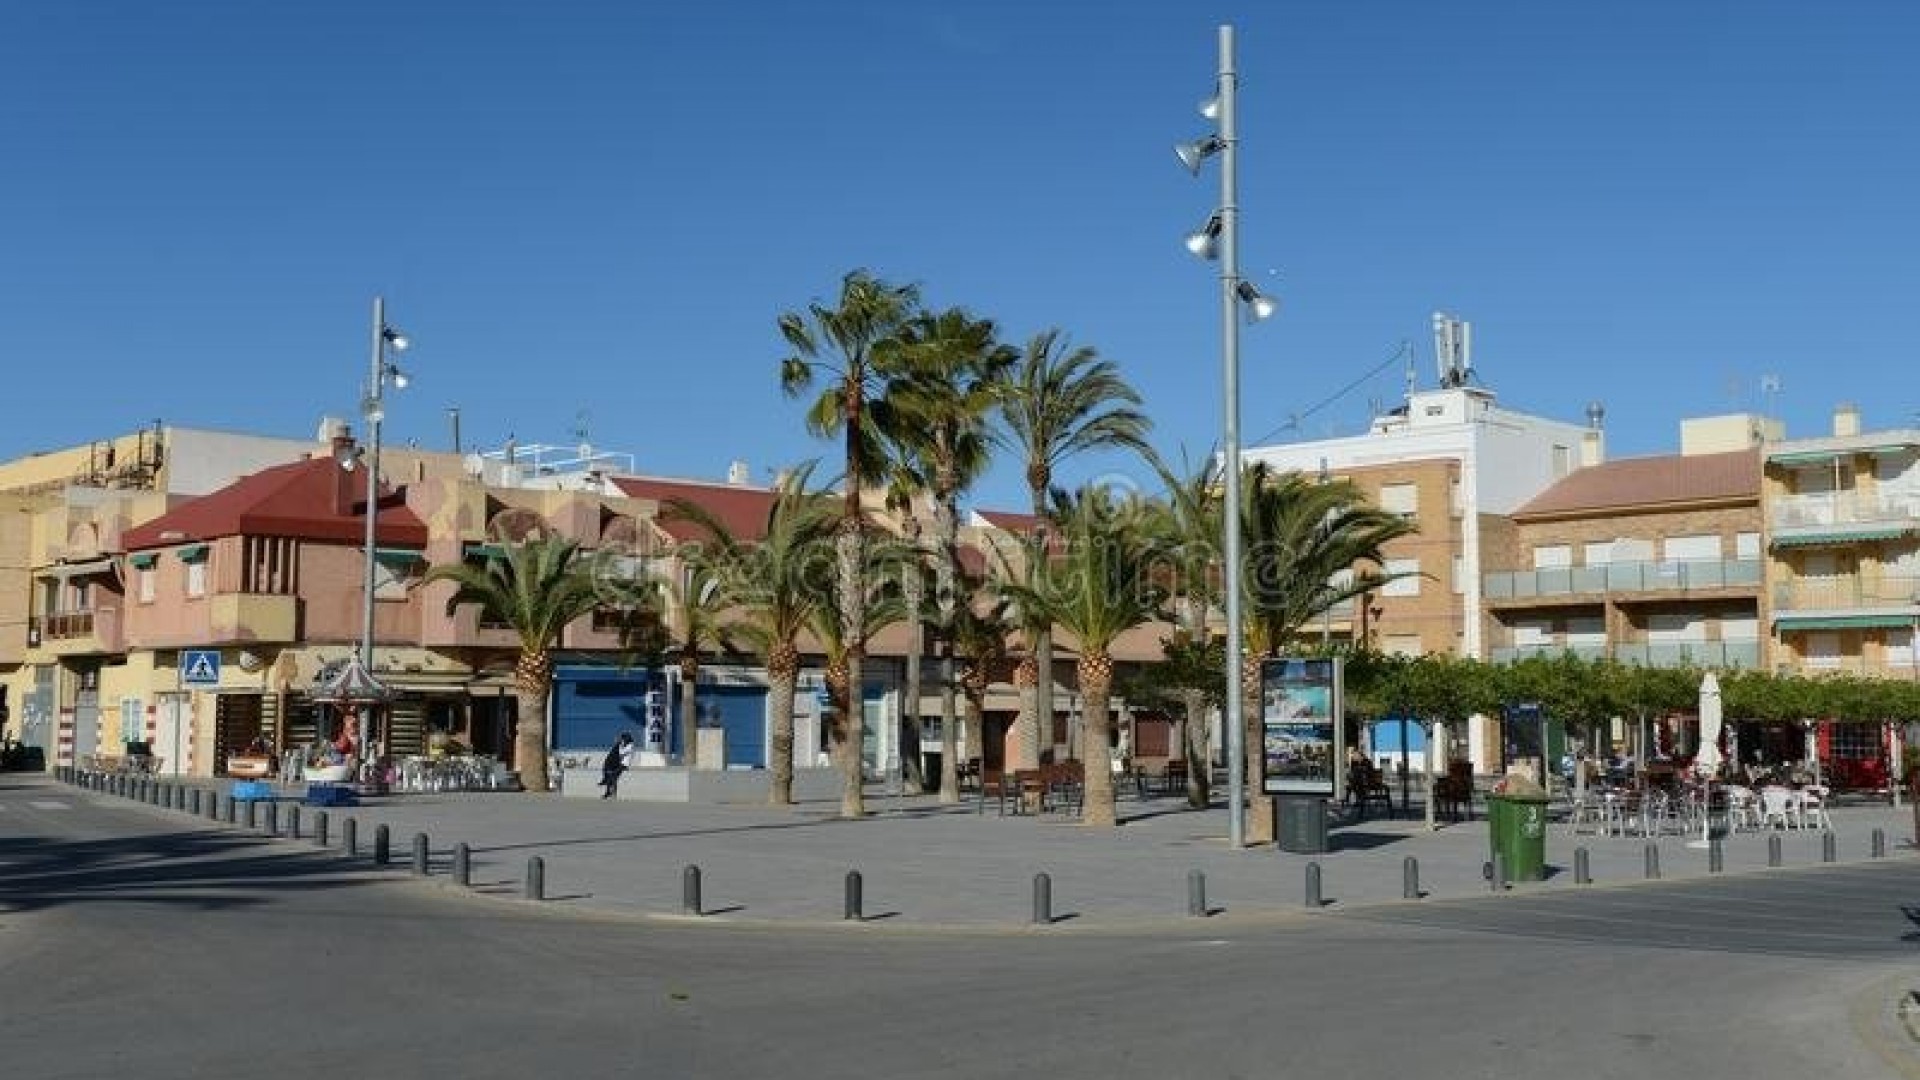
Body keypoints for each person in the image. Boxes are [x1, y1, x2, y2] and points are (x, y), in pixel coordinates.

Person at [600, 732, 635, 799]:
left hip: (624, 764)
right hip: (621, 763)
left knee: (613, 776)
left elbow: (621, 753)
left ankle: (611, 793)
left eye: (623, 738)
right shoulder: (627, 745)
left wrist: (620, 745)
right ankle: (609, 793)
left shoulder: (630, 746)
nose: (623, 740)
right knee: (613, 777)